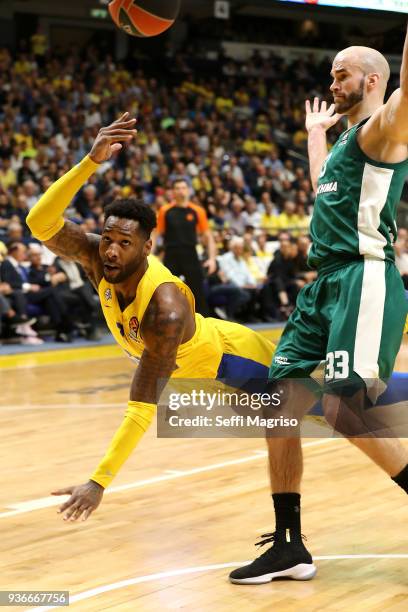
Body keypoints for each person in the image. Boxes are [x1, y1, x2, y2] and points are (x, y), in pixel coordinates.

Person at [26, 114, 277, 523]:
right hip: (193, 378)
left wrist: (99, 480)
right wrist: (90, 162)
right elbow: (39, 223)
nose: (111, 251)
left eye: (125, 244)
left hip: (231, 365)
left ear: (147, 247)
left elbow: (142, 407)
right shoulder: (95, 256)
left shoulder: (165, 309)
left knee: (335, 406)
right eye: (107, 239)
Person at [229, 29, 408, 584]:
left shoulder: (384, 132)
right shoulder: (342, 145)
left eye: (341, 74)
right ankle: (289, 545)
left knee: (343, 409)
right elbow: (322, 189)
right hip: (322, 287)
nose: (331, 82)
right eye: (331, 73)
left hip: (364, 278)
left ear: (374, 80)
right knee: (277, 400)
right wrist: (313, 135)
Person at [153, 178, 217, 315]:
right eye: (177, 188)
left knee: (197, 292)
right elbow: (155, 234)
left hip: (191, 254)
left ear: (188, 190)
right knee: (168, 289)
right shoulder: (165, 210)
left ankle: (203, 323)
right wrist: (150, 255)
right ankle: (169, 320)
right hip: (171, 254)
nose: (180, 190)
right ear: (172, 192)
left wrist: (212, 259)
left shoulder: (197, 211)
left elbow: (208, 236)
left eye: (183, 187)